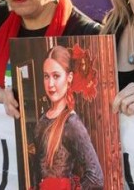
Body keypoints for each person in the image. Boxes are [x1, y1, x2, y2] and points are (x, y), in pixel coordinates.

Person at [31, 45, 103, 189]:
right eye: (46, 76)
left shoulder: (71, 124)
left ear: (69, 78)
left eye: (56, 76)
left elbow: (96, 177)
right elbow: (37, 172)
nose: (50, 84)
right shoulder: (42, 120)